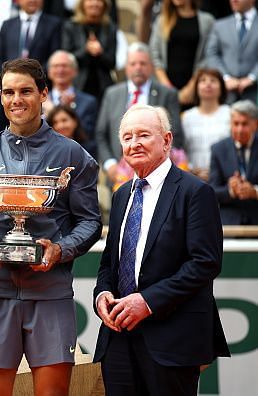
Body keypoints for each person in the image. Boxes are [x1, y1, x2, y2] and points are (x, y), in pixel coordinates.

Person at [0, 58, 101, 395]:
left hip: (50, 292)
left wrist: (60, 249)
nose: (16, 99)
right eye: (8, 92)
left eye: (25, 91)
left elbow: (90, 221)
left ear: (44, 95)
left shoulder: (74, 155)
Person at [93, 104, 229, 396]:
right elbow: (109, 263)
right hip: (118, 338)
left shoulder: (195, 192)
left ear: (166, 141)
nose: (134, 143)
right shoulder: (120, 196)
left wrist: (147, 302)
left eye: (144, 135)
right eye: (127, 137)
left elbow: (205, 263)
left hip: (172, 339)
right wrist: (102, 294)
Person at [95, 42, 181, 186]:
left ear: (151, 66)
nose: (138, 68)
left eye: (143, 63)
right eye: (133, 64)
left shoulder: (167, 94)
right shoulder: (111, 94)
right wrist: (110, 164)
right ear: (126, 67)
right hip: (118, 176)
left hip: (157, 176)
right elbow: (101, 133)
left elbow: (175, 133)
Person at [149, 0, 215, 108]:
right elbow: (154, 55)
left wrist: (191, 87)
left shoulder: (207, 21)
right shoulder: (162, 20)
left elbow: (207, 56)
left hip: (194, 89)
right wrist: (167, 88)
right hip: (165, 88)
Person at [209, 100, 258, 225]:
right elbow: (212, 191)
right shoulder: (218, 149)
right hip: (229, 223)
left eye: (244, 124)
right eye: (236, 124)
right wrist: (231, 190)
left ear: (255, 124)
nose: (240, 129)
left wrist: (254, 192)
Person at [61, 0, 118, 103]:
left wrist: (100, 53)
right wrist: (86, 50)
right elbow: (66, 59)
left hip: (103, 85)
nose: (95, 4)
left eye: (99, 1)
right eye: (90, 0)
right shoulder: (71, 26)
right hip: (77, 83)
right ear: (82, 4)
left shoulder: (110, 28)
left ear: (104, 5)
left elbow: (112, 62)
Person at [181, 68, 230, 180]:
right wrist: (191, 170)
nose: (208, 84)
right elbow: (182, 150)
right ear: (196, 87)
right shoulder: (186, 117)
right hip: (192, 177)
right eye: (203, 80)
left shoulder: (230, 113)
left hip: (223, 178)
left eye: (213, 80)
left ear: (221, 87)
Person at [206, 0, 258, 103]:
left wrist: (253, 77)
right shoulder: (219, 25)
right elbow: (211, 54)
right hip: (227, 94)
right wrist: (226, 78)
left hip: (255, 93)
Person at [0, 0, 62, 73]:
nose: (32, 1)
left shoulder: (54, 24)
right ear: (17, 1)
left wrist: (35, 76)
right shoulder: (7, 25)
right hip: (10, 78)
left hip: (41, 80)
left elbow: (54, 56)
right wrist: (8, 75)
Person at [43, 50, 99, 141]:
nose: (60, 70)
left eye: (64, 66)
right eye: (56, 66)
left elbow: (88, 136)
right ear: (49, 72)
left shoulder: (88, 102)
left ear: (75, 71)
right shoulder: (40, 101)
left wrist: (55, 111)